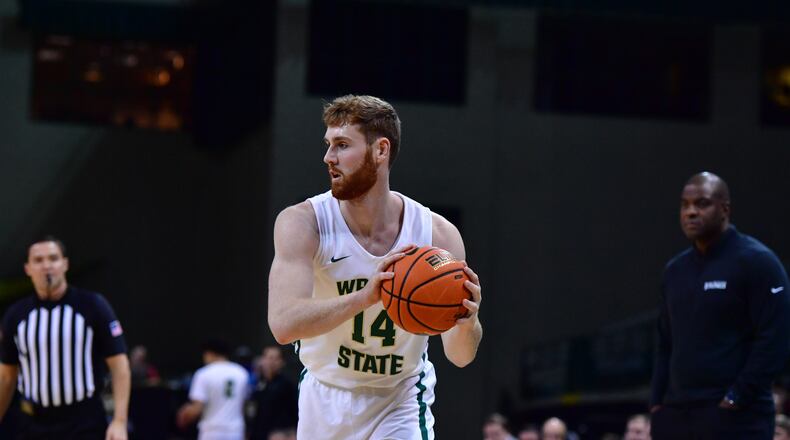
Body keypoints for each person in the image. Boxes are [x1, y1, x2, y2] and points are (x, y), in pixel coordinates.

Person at [267, 94, 483, 439]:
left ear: (380, 150)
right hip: (325, 394)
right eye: (328, 145)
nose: (328, 158)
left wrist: (467, 322)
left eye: (341, 145)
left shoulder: (437, 235)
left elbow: (460, 356)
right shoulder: (304, 222)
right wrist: (365, 297)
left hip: (400, 398)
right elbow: (283, 324)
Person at [650, 172, 790, 439]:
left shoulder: (758, 262)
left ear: (725, 209)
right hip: (677, 417)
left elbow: (775, 340)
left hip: (736, 417)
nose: (691, 212)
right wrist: (657, 403)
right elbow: (665, 344)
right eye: (685, 204)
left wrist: (737, 397)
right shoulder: (674, 271)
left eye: (702, 204)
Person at [0, 236, 131, 439]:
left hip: (83, 421)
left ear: (65, 264)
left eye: (53, 258)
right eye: (38, 260)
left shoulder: (93, 305)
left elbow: (119, 366)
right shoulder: (16, 315)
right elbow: (7, 376)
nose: (47, 266)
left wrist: (120, 421)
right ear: (28, 269)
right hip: (33, 423)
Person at [176, 340, 249, 440]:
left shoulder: (203, 373)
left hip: (211, 431)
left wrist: (185, 413)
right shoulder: (241, 373)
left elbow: (197, 408)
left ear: (209, 353)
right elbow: (244, 405)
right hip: (235, 432)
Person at [248, 345, 297, 440]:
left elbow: (294, 413)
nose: (271, 362)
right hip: (258, 434)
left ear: (282, 362)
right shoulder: (257, 382)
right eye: (268, 358)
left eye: (276, 358)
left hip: (279, 434)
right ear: (262, 360)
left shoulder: (286, 385)